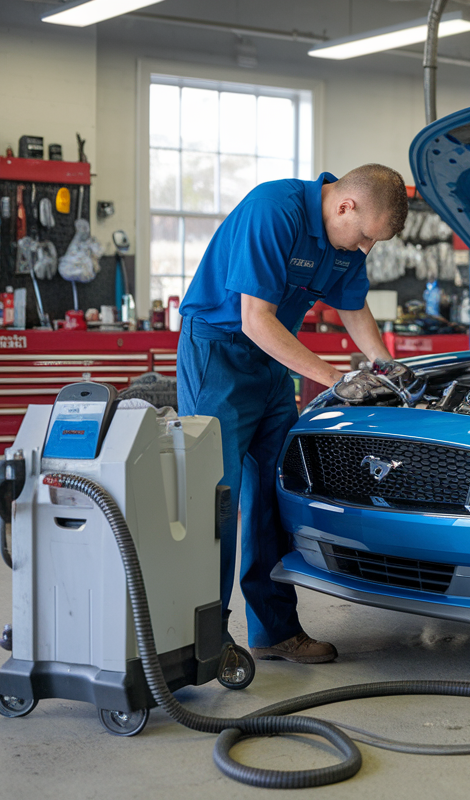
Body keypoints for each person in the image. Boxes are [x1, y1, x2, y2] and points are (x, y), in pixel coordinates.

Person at [177, 164, 409, 664]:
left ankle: (274, 630)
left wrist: (385, 365)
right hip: (218, 355)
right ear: (344, 205)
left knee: (272, 494)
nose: (365, 250)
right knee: (215, 501)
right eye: (367, 237)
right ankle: (204, 640)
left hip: (273, 362)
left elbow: (353, 305)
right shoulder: (274, 211)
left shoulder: (345, 238)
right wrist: (336, 379)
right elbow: (254, 318)